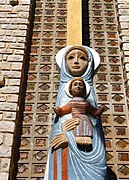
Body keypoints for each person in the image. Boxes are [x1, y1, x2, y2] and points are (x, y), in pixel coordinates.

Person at [44, 45, 108, 180]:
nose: (76, 61)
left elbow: (97, 135)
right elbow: (57, 131)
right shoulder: (63, 94)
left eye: (83, 58)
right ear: (64, 63)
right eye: (71, 58)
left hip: (90, 158)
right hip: (66, 157)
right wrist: (65, 134)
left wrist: (70, 138)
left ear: (89, 63)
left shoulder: (90, 96)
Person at [53, 77, 104, 146]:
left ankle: (87, 137)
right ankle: (79, 136)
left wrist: (99, 111)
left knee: (87, 125)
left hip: (85, 118)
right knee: (78, 125)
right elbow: (65, 109)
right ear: (70, 89)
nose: (78, 86)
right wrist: (59, 110)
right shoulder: (72, 102)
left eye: (80, 85)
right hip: (76, 118)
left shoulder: (85, 103)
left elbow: (92, 111)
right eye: (75, 84)